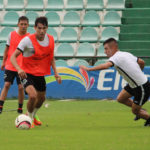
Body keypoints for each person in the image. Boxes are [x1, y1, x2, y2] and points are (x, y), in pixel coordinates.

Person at [80, 38, 150, 126]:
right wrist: (139, 73)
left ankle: (146, 116)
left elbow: (106, 65)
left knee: (134, 111)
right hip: (134, 84)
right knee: (121, 98)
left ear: (113, 48)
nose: (105, 52)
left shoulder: (115, 58)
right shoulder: (125, 54)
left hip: (141, 87)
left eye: (106, 49)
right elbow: (142, 62)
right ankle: (141, 111)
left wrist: (89, 69)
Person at [11, 16, 61, 128]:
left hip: (39, 74)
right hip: (26, 73)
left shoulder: (51, 40)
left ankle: (32, 116)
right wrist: (19, 69)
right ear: (34, 28)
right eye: (39, 28)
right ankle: (29, 118)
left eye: (44, 28)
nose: (42, 31)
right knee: (33, 96)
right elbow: (13, 57)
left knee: (41, 99)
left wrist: (56, 73)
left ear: (47, 28)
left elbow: (51, 58)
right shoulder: (27, 40)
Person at [0, 16, 30, 114]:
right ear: (18, 24)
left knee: (21, 87)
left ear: (28, 25)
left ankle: (20, 108)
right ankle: (0, 106)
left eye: (25, 24)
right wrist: (3, 62)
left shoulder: (29, 37)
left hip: (22, 67)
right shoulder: (11, 35)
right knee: (7, 84)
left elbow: (31, 53)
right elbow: (7, 49)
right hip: (10, 64)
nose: (23, 26)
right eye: (21, 24)